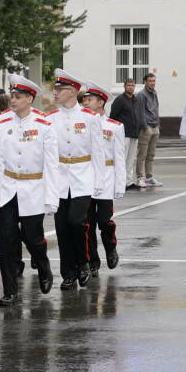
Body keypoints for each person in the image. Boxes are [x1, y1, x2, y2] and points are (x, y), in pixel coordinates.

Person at [0, 74, 57, 306]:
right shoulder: (2, 122)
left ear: (30, 98)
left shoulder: (44, 124)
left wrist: (51, 197)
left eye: (18, 97)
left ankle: (43, 264)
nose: (13, 100)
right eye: (12, 96)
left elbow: (51, 164)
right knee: (6, 240)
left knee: (32, 237)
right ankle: (10, 291)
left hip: (33, 187)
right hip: (8, 188)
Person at [47, 70, 106, 291]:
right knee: (61, 227)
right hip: (60, 177)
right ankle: (68, 273)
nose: (55, 92)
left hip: (83, 176)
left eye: (59, 89)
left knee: (76, 221)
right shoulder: (51, 119)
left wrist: (99, 182)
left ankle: (83, 262)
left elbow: (98, 152)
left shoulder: (90, 118)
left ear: (71, 91)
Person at [80, 81, 125, 275]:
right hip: (86, 176)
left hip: (107, 177)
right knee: (87, 224)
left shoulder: (114, 126)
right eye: (85, 100)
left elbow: (119, 157)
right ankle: (92, 261)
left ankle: (110, 247)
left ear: (101, 103)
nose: (86, 103)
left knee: (105, 221)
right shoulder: (81, 124)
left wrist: (120, 184)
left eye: (90, 100)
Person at [108, 79, 140, 189]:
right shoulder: (120, 100)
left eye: (132, 85)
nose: (130, 87)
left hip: (134, 133)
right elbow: (113, 117)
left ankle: (129, 182)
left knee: (131, 159)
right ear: (124, 86)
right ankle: (120, 182)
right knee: (122, 159)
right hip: (123, 134)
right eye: (128, 85)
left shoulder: (135, 100)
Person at [133, 73, 161, 188]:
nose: (152, 83)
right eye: (150, 81)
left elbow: (156, 108)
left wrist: (158, 124)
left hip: (155, 127)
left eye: (154, 81)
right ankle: (140, 178)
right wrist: (145, 127)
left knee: (151, 155)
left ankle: (149, 177)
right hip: (146, 128)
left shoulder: (154, 93)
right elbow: (140, 113)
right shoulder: (141, 95)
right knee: (142, 154)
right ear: (145, 82)